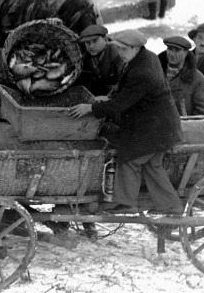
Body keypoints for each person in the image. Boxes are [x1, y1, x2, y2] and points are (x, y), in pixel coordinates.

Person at [68, 29, 183, 215]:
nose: (120, 53)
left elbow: (122, 104)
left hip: (156, 127)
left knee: (130, 158)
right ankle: (171, 206)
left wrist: (91, 108)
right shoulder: (146, 58)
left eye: (123, 49)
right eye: (118, 48)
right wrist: (107, 98)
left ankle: (127, 203)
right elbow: (126, 92)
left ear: (136, 48)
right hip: (161, 124)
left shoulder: (141, 71)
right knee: (153, 165)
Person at [157, 35, 204, 117]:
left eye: (177, 50)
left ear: (185, 53)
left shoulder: (197, 79)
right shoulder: (155, 73)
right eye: (170, 49)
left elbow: (202, 114)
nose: (172, 54)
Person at [77, 23, 125, 99]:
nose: (91, 46)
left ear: (105, 40)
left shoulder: (118, 54)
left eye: (95, 41)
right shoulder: (87, 56)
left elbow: (126, 82)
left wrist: (108, 97)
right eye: (87, 42)